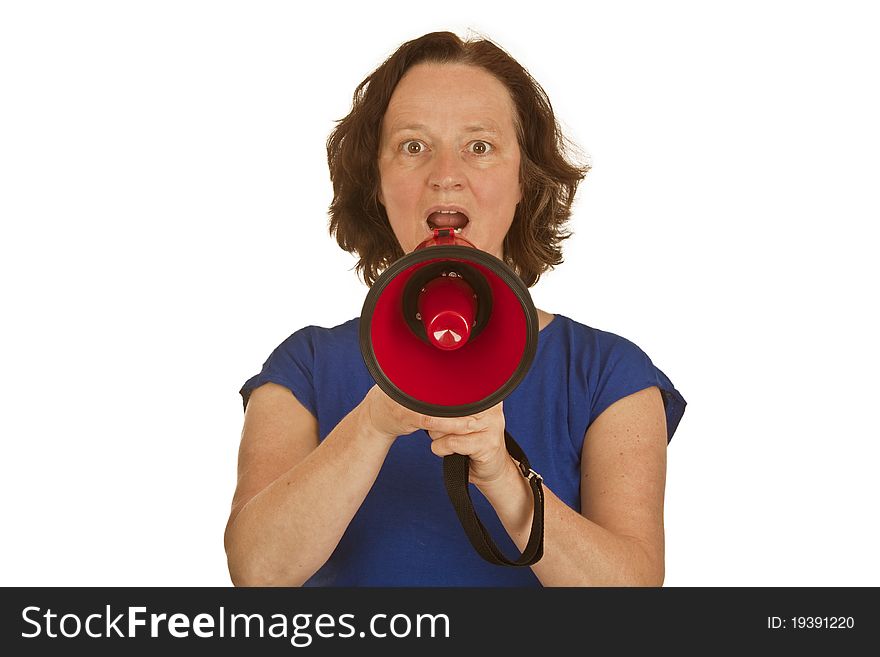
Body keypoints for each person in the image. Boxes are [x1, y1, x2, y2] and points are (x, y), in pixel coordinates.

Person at [224, 31, 687, 587]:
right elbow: (258, 573)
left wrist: (503, 478)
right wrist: (373, 423)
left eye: (480, 146)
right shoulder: (306, 365)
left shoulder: (607, 373)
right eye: (413, 146)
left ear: (525, 179)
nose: (445, 174)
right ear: (377, 181)